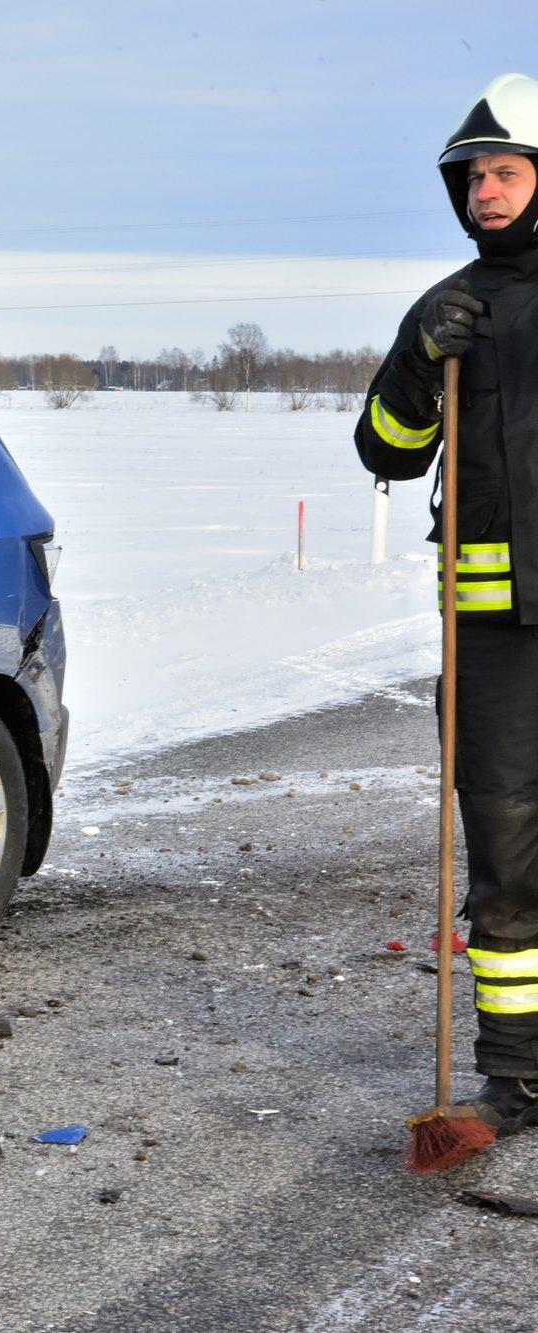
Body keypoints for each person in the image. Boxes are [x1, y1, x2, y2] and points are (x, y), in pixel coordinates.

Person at [354, 72, 538, 1137]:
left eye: (505, 171)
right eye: (472, 177)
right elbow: (382, 449)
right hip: (489, 645)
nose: (485, 192)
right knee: (505, 856)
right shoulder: (442, 310)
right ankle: (514, 1073)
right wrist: (419, 369)